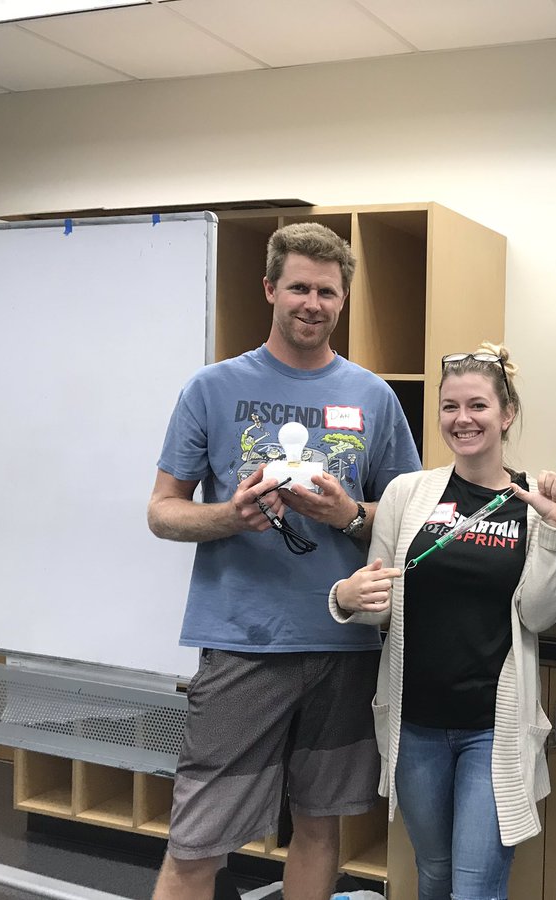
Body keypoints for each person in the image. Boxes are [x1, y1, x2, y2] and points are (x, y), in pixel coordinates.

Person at [148, 222, 421, 900]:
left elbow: (406, 519)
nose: (312, 302)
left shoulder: (373, 397)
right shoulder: (211, 388)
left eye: (327, 291)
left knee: (320, 825)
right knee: (198, 838)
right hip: (243, 644)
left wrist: (349, 516)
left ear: (344, 299)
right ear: (270, 288)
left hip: (343, 645)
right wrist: (227, 516)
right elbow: (162, 510)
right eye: (298, 286)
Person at [328, 343, 556, 900]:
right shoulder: (405, 493)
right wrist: (348, 595)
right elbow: (383, 601)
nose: (462, 419)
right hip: (414, 726)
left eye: (478, 406)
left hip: (492, 730)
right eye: (449, 407)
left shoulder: (530, 506)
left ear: (506, 415)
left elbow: (538, 615)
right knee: (433, 875)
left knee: (473, 887)